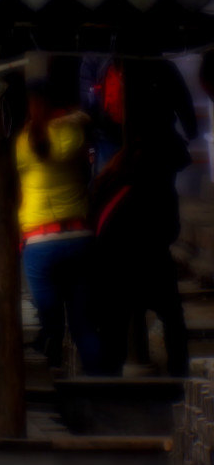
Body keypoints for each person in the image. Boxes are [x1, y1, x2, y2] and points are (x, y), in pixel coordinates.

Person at [91, 59, 195, 376]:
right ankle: (179, 377)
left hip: (116, 256)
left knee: (115, 320)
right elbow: (168, 223)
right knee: (172, 317)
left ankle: (108, 377)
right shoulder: (155, 172)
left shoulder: (113, 172)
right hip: (149, 253)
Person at [17, 65, 104, 374]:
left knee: (51, 324)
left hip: (40, 242)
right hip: (80, 237)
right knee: (83, 324)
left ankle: (53, 382)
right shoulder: (76, 132)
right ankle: (99, 391)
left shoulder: (25, 141)